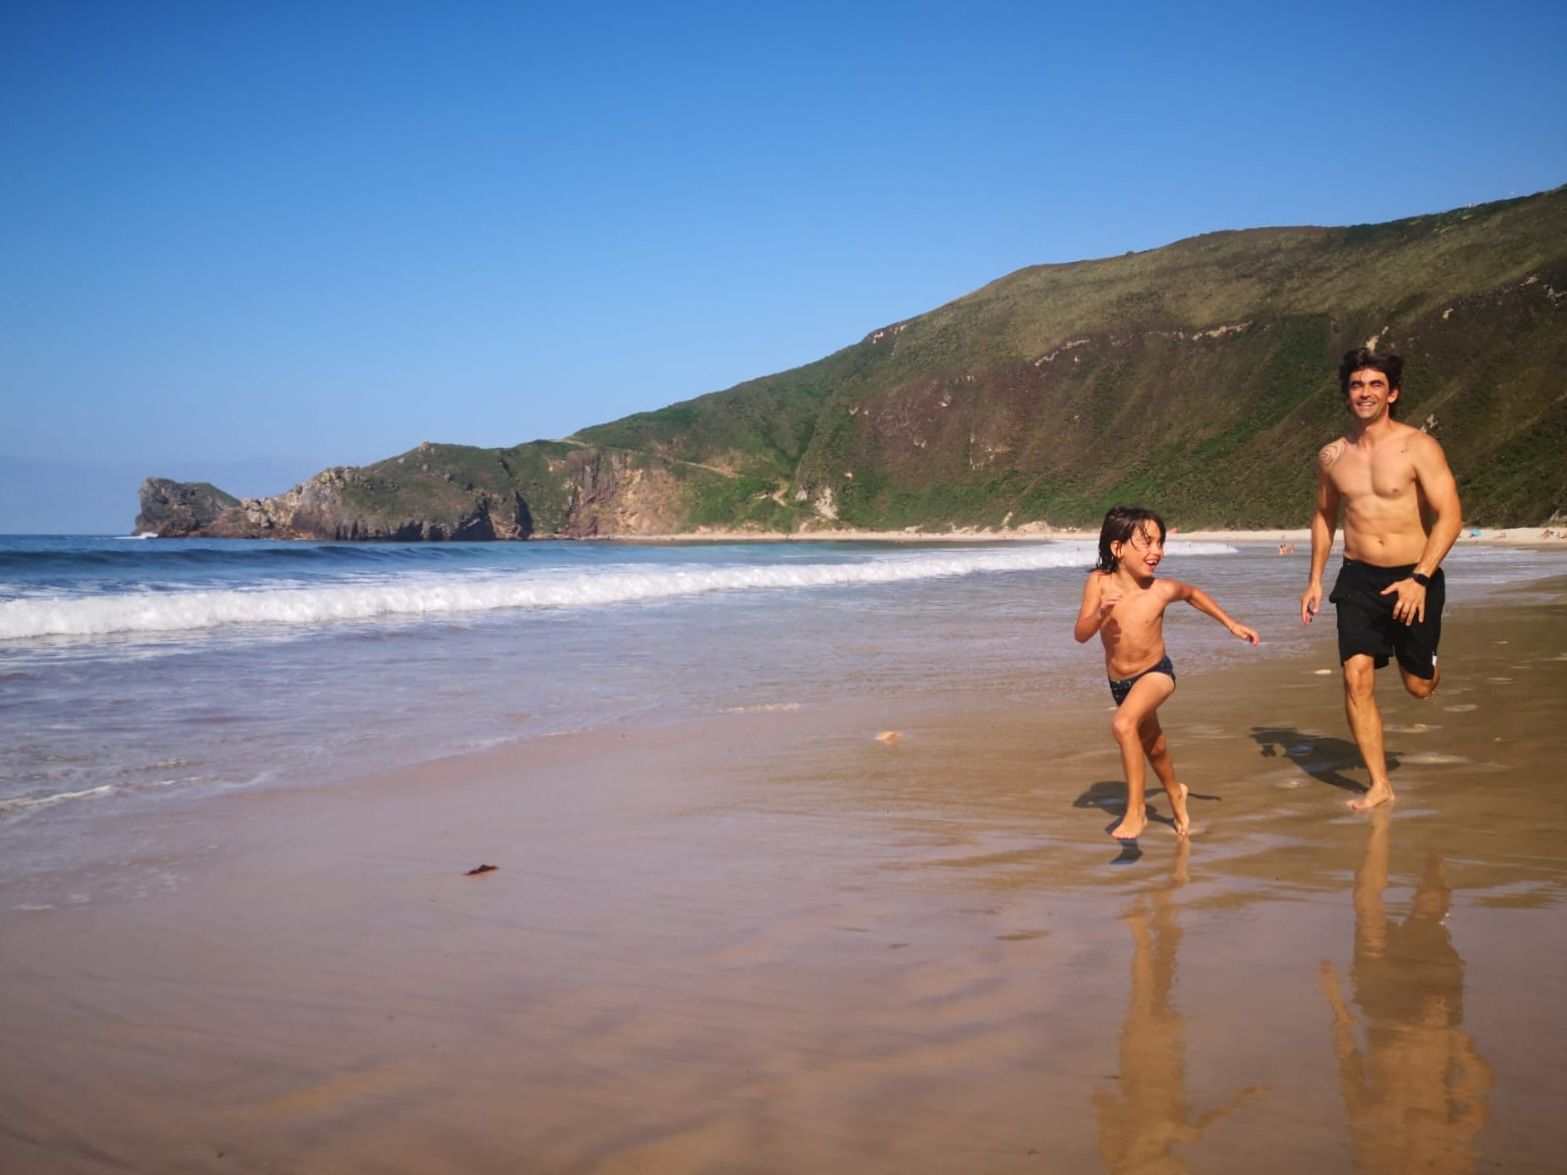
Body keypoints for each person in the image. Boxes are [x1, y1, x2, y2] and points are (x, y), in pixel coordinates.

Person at [1301, 349, 1462, 811]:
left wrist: (1420, 577)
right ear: (1346, 393)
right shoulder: (1332, 455)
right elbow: (1323, 516)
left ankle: (1427, 664)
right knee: (1356, 677)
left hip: (1415, 576)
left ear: (1392, 393)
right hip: (1357, 579)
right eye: (1356, 384)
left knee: (1418, 687)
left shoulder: (1419, 447)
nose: (1365, 392)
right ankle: (1379, 784)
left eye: (1375, 384)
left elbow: (1450, 515)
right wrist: (1314, 579)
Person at [1075, 506, 1260, 841]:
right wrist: (1101, 613)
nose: (1156, 551)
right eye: (1146, 543)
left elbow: (1193, 595)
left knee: (1123, 724)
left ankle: (1137, 811)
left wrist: (1231, 624)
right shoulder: (1098, 583)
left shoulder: (1160, 590)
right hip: (1120, 684)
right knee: (1154, 748)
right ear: (1118, 549)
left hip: (1157, 673)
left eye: (1159, 543)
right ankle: (1175, 792)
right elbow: (1081, 633)